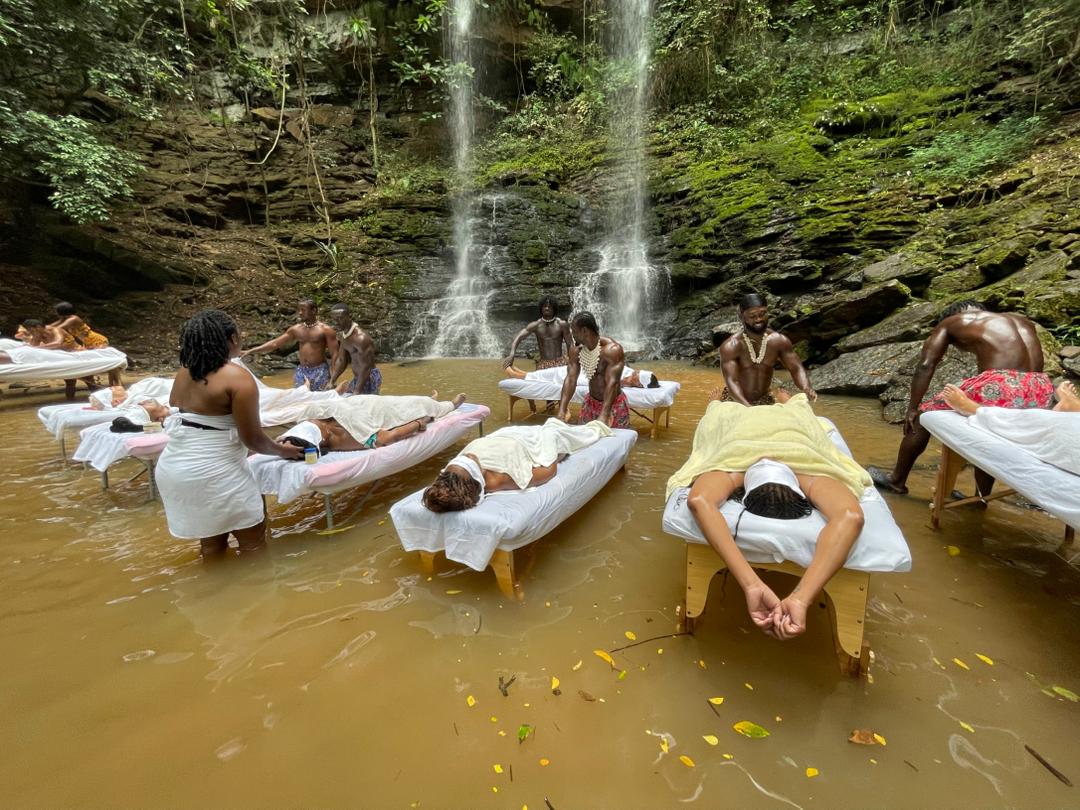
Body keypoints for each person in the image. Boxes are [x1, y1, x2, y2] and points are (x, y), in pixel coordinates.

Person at [668, 388, 869, 639]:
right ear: (796, 488)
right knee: (795, 407)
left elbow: (699, 500)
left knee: (723, 411)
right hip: (786, 433)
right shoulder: (806, 470)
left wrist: (752, 584)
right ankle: (780, 396)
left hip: (744, 430)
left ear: (745, 491)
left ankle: (767, 397)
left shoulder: (739, 466)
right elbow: (851, 516)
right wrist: (800, 598)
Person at [155, 309, 303, 556]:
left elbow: (186, 412)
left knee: (212, 546)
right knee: (253, 544)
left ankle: (213, 592)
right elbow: (253, 439)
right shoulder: (238, 378)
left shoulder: (184, 373)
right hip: (215, 472)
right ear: (232, 338)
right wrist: (284, 450)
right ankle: (258, 594)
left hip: (175, 467)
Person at [868, 301, 1051, 495]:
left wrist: (912, 408)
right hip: (1040, 388)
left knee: (923, 417)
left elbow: (926, 365)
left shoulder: (952, 322)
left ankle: (896, 480)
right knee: (989, 433)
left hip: (1001, 383)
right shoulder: (1020, 321)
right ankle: (981, 498)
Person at [421, 418, 613, 511]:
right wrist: (552, 452)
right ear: (477, 475)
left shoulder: (451, 473)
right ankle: (597, 426)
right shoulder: (496, 480)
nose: (469, 454)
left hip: (506, 435)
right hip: (528, 443)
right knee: (559, 434)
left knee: (553, 426)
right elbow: (548, 471)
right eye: (470, 460)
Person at [280, 391, 468, 453]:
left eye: (315, 423)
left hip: (364, 402)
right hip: (381, 412)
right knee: (421, 406)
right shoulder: (343, 438)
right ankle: (450, 405)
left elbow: (284, 438)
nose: (317, 422)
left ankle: (427, 398)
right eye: (318, 426)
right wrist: (420, 422)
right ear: (324, 437)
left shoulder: (308, 415)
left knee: (407, 400)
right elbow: (387, 438)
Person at [719, 293, 817, 406]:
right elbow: (732, 381)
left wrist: (806, 387)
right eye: (752, 316)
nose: (758, 319)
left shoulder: (779, 341)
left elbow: (796, 368)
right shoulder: (731, 346)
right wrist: (748, 408)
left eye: (762, 314)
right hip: (736, 401)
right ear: (741, 316)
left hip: (764, 400)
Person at [240, 299, 338, 391]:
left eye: (303, 310)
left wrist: (333, 379)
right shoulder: (296, 329)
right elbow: (275, 344)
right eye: (299, 310)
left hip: (319, 370)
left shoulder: (326, 330)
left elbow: (335, 355)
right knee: (300, 401)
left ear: (314, 311)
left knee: (320, 401)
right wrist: (251, 350)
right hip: (301, 371)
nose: (300, 313)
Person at [557, 312, 630, 429]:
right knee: (583, 443)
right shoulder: (576, 351)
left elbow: (612, 383)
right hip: (590, 403)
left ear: (584, 331)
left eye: (574, 331)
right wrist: (562, 409)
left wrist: (604, 415)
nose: (572, 335)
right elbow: (571, 379)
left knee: (614, 444)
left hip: (613, 405)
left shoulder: (612, 350)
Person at [50, 302, 121, 387]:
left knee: (107, 363)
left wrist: (46, 330)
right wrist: (43, 328)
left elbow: (58, 328)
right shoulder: (65, 319)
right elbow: (51, 327)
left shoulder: (73, 319)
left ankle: (115, 384)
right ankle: (107, 384)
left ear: (61, 312)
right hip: (88, 343)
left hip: (97, 341)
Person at [502, 296, 574, 371]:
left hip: (560, 363)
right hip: (543, 364)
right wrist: (512, 354)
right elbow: (519, 337)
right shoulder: (536, 325)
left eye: (549, 306)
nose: (547, 308)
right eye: (544, 306)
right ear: (541, 308)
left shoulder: (562, 324)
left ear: (554, 308)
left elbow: (570, 344)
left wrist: (571, 361)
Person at [328, 303, 380, 395]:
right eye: (334, 319)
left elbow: (366, 367)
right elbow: (341, 360)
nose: (336, 322)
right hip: (358, 377)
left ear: (349, 316)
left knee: (362, 405)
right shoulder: (344, 335)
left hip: (368, 377)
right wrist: (332, 381)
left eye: (340, 318)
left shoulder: (361, 338)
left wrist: (356, 391)